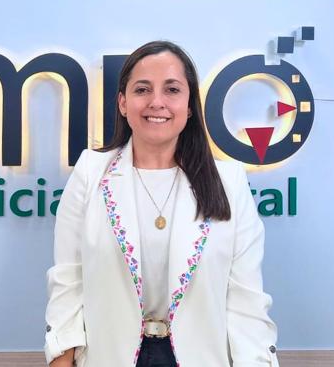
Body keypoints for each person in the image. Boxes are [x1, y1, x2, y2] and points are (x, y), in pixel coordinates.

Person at [44, 41, 279, 367]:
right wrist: (61, 358)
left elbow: (246, 302)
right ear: (123, 103)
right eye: (142, 90)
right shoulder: (90, 173)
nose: (157, 102)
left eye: (172, 90)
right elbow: (68, 283)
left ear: (189, 105)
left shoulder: (229, 182)